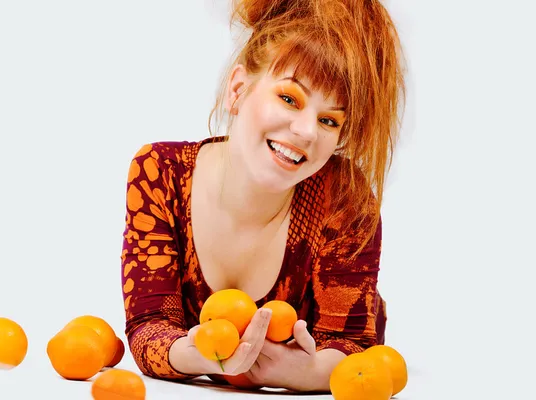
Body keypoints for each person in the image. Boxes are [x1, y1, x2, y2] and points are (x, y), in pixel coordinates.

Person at [119, 0, 406, 393]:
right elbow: (147, 325)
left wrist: (305, 374)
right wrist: (196, 356)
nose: (307, 132)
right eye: (290, 98)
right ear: (238, 90)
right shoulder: (159, 173)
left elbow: (354, 346)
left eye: (329, 120)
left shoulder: (345, 199)